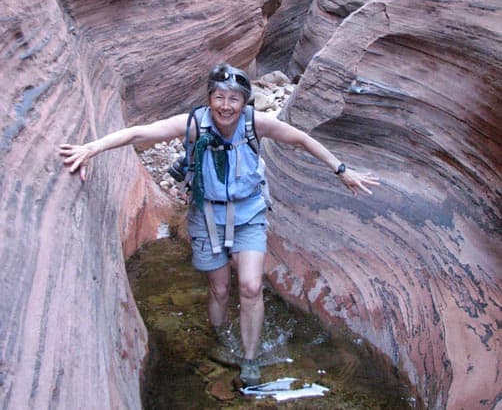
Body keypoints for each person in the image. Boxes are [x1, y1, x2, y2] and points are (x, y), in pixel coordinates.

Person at [60, 63, 379, 386]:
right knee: (220, 288)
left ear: (244, 103)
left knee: (251, 286)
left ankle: (250, 360)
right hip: (207, 216)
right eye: (219, 97)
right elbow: (141, 132)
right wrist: (91, 148)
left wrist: (340, 170)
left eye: (234, 100)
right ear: (209, 98)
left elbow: (299, 139)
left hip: (248, 214)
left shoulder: (254, 123)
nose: (225, 106)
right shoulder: (195, 124)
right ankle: (221, 339)